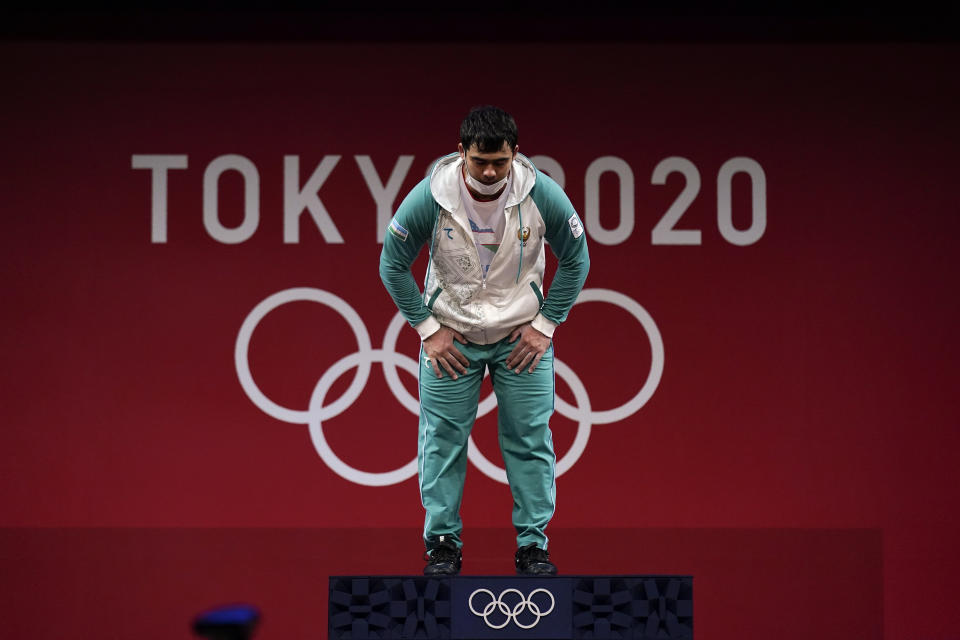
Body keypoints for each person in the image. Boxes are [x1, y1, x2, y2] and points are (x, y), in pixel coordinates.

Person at [379, 105, 589, 576]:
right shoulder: (431, 194)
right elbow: (391, 264)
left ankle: (533, 546)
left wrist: (546, 325)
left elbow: (577, 257)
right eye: (480, 161)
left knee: (529, 440)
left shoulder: (541, 193)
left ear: (515, 153)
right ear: (461, 154)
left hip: (521, 338)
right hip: (453, 341)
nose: (491, 171)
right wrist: (427, 329)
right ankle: (442, 546)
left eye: (501, 161)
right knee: (442, 442)